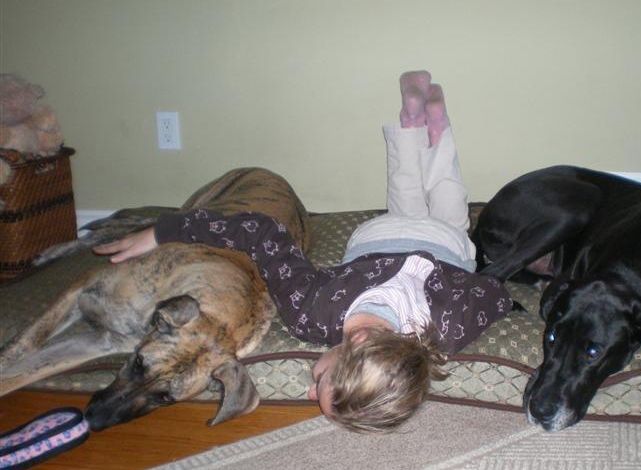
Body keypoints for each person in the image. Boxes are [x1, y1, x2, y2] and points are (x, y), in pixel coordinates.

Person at [94, 71, 513, 432]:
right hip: (382, 239)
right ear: (358, 340)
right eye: (320, 383)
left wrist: (482, 290)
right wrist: (166, 230)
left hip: (427, 240)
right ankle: (417, 121)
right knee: (412, 201)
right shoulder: (310, 314)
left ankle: (428, 126)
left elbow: (493, 292)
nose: (310, 391)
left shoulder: (445, 332)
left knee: (446, 196)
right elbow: (262, 233)